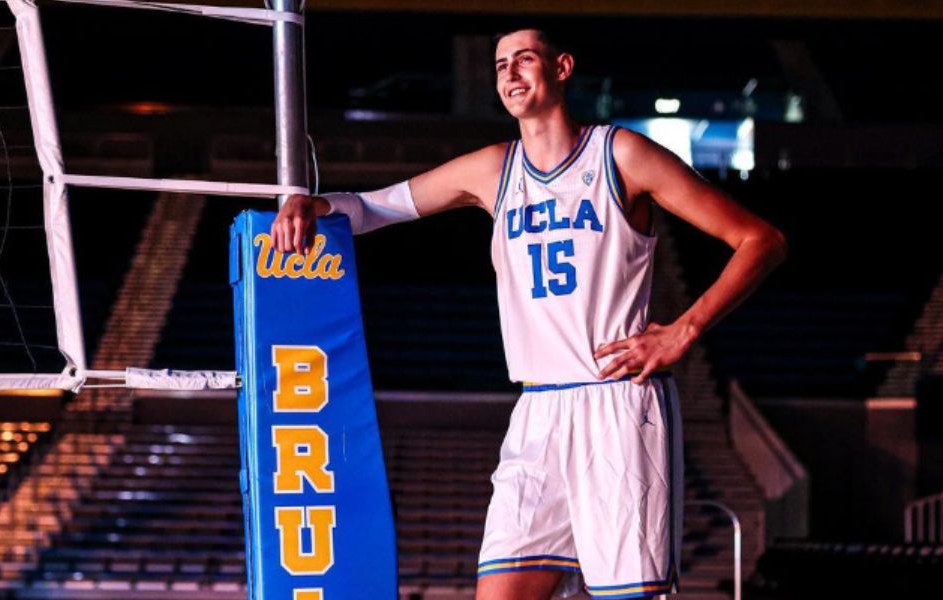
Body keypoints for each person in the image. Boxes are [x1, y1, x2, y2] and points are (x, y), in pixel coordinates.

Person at [271, 28, 786, 600]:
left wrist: (683, 330)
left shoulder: (621, 154)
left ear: (562, 67)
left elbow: (760, 240)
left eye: (524, 60)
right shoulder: (494, 170)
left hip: (616, 404)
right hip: (538, 411)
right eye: (499, 66)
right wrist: (309, 203)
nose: (510, 74)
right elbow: (373, 207)